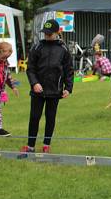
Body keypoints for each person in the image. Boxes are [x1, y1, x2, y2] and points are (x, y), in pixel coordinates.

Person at [21, 19, 73, 153]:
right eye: (45, 33)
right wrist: (34, 83)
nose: (47, 36)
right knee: (34, 117)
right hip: (38, 90)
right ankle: (30, 145)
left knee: (50, 117)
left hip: (55, 90)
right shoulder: (37, 47)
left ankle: (46, 144)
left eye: (50, 34)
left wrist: (68, 88)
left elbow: (69, 70)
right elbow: (30, 68)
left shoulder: (63, 49)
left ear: (58, 33)